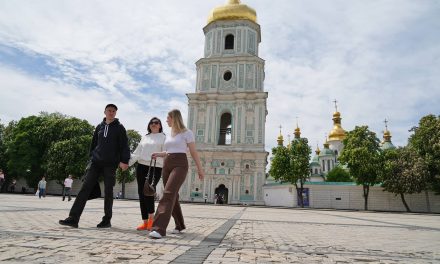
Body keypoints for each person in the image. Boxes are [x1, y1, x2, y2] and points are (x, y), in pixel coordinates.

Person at [59, 104, 130, 229]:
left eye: (113, 111)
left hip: (110, 164)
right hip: (96, 162)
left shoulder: (119, 128)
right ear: (105, 112)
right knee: (85, 188)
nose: (111, 112)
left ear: (115, 113)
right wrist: (92, 157)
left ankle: (106, 220)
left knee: (108, 191)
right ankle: (73, 218)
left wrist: (124, 160)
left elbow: (124, 145)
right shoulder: (99, 127)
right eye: (109, 110)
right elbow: (93, 144)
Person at [149, 109, 204, 239]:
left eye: (168, 118)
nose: (166, 120)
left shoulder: (187, 133)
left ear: (174, 118)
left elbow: (193, 152)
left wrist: (200, 169)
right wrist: (158, 154)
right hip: (167, 164)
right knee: (173, 195)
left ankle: (159, 228)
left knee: (168, 193)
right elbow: (168, 151)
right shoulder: (169, 134)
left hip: (180, 164)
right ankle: (179, 225)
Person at [129, 117, 166, 231]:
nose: (154, 124)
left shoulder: (164, 137)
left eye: (156, 123)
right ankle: (145, 222)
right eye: (152, 123)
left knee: (149, 191)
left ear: (160, 125)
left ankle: (151, 220)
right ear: (149, 125)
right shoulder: (145, 137)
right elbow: (137, 153)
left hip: (155, 166)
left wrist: (158, 154)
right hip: (141, 166)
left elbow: (166, 152)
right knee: (141, 193)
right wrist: (127, 164)